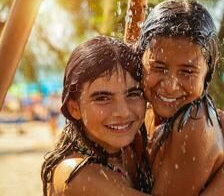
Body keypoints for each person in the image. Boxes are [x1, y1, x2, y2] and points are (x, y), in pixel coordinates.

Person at [134, 0, 224, 196]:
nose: (170, 86)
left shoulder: (193, 125)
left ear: (207, 73)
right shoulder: (141, 108)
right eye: (158, 67)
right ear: (139, 60)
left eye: (187, 72)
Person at [41, 36, 153, 196]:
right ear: (74, 108)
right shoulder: (77, 176)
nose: (123, 112)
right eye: (102, 98)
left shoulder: (127, 150)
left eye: (133, 94)